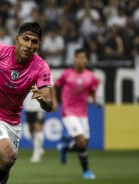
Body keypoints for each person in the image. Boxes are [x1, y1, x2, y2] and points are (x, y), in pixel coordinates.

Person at [0, 21, 53, 183]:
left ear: (38, 45)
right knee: (8, 155)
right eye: (26, 39)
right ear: (17, 39)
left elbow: (49, 105)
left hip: (12, 123)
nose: (29, 45)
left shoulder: (41, 67)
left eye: (34, 42)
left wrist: (42, 99)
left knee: (5, 166)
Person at [54, 48, 98, 179]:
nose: (80, 60)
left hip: (82, 113)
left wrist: (95, 99)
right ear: (74, 59)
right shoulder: (67, 74)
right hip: (68, 111)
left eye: (83, 57)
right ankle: (86, 171)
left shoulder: (90, 76)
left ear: (86, 59)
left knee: (84, 143)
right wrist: (55, 101)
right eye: (78, 57)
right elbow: (55, 85)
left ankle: (66, 148)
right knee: (81, 140)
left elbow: (92, 90)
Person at [23, 80, 57, 163]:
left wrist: (54, 100)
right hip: (28, 105)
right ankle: (37, 147)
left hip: (39, 105)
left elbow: (51, 86)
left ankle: (37, 152)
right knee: (31, 129)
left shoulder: (43, 70)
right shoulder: (25, 70)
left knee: (37, 127)